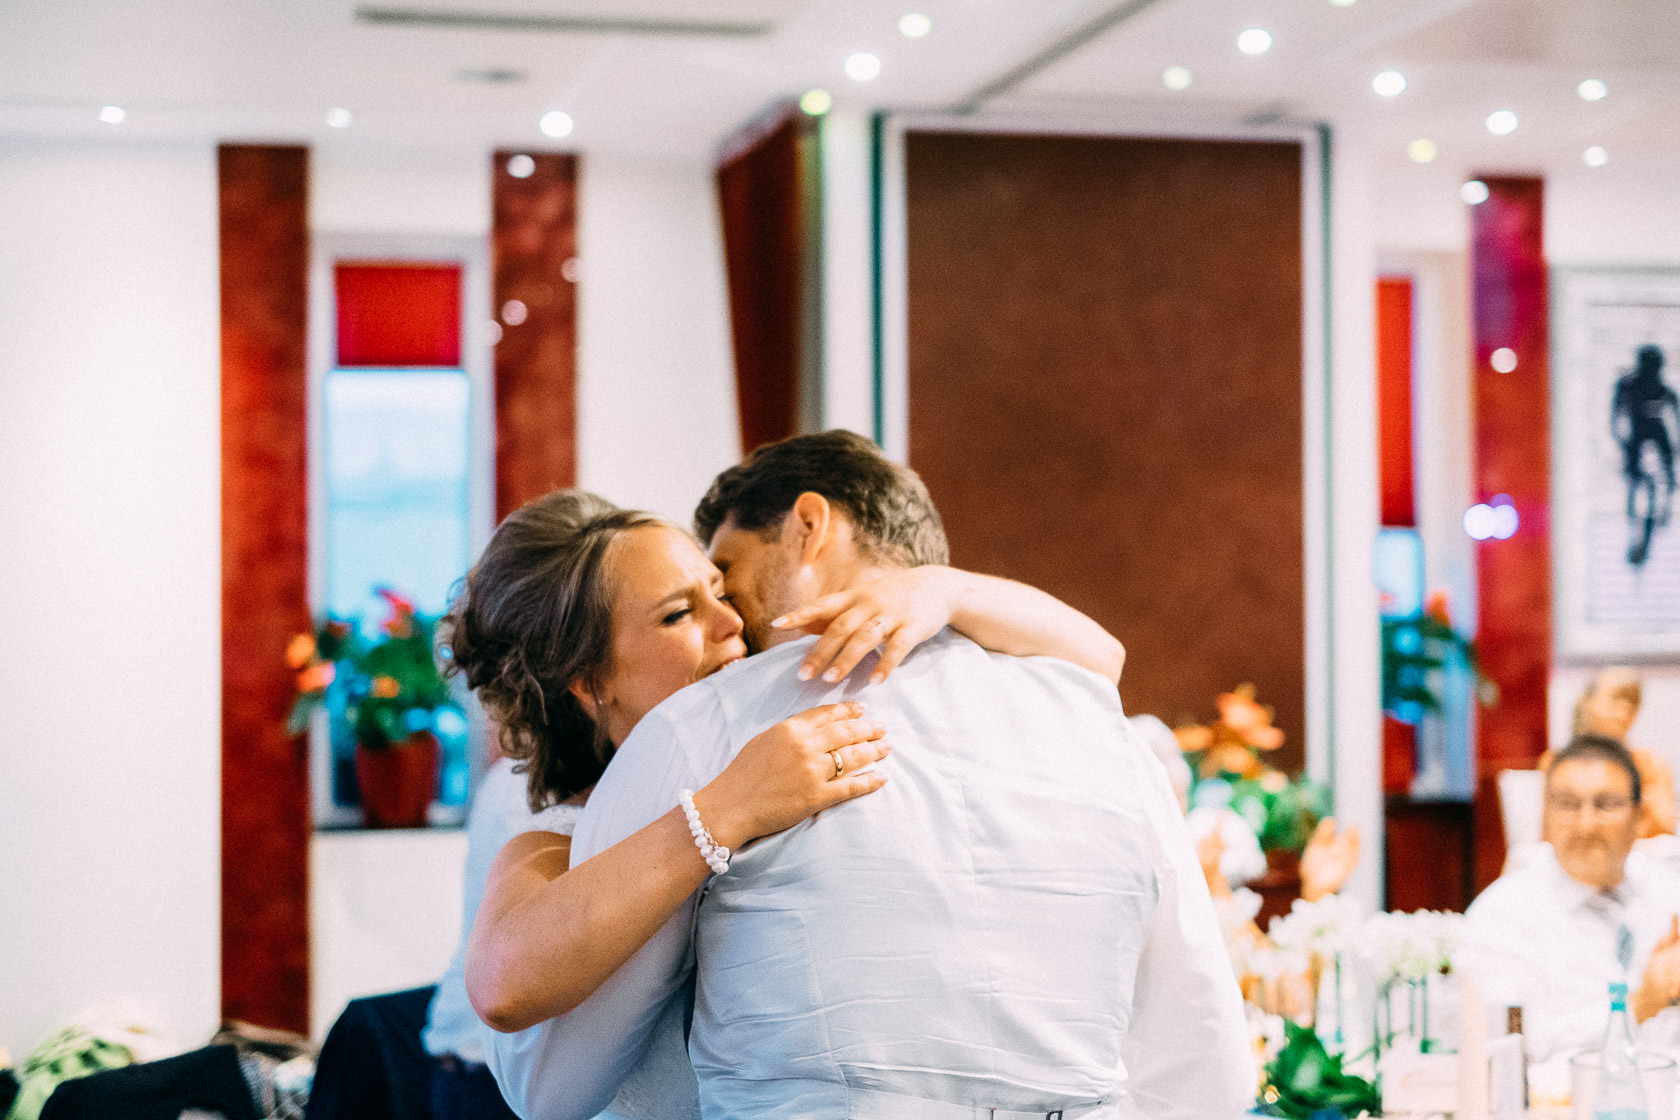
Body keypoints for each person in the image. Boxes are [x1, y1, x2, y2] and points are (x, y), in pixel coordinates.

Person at [480, 430, 1253, 1120]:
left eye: (726, 579)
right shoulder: (1094, 729)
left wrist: (951, 589)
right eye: (682, 612)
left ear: (809, 527)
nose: (733, 622)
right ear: (589, 681)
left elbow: (547, 1086)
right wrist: (720, 813)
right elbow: (1200, 1056)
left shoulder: (707, 730)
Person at [1461, 734, 1680, 1068]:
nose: (1586, 824)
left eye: (1606, 804)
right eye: (1567, 804)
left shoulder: (1668, 892)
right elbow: (1515, 1045)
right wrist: (1640, 1005)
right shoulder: (1501, 915)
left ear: (1639, 816)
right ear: (1545, 812)